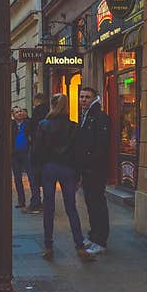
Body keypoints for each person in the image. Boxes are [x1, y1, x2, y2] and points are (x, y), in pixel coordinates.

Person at [36, 94, 94, 263]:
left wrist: (38, 172)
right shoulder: (73, 127)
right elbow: (79, 153)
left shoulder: (43, 125)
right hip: (68, 169)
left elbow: (38, 151)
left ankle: (48, 246)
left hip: (49, 167)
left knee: (49, 207)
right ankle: (79, 245)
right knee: (71, 208)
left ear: (52, 106)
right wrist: (78, 173)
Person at [73, 86, 111, 256]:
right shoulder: (87, 116)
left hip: (95, 169)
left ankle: (101, 240)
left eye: (87, 97)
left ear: (95, 98)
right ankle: (94, 235)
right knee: (90, 203)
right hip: (87, 169)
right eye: (81, 96)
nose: (83, 100)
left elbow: (100, 146)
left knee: (97, 204)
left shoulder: (100, 117)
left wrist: (90, 164)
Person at [26, 93, 48, 214]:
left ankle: (35, 202)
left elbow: (32, 129)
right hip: (48, 152)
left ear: (36, 101)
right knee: (46, 179)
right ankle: (47, 202)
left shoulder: (37, 112)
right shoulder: (50, 112)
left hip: (37, 149)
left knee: (34, 177)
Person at [11, 107, 33, 209]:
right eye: (16, 112)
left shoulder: (28, 123)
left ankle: (35, 199)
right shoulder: (11, 125)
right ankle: (21, 201)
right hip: (15, 154)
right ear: (13, 115)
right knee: (17, 178)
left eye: (20, 111)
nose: (19, 113)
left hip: (27, 153)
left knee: (31, 176)